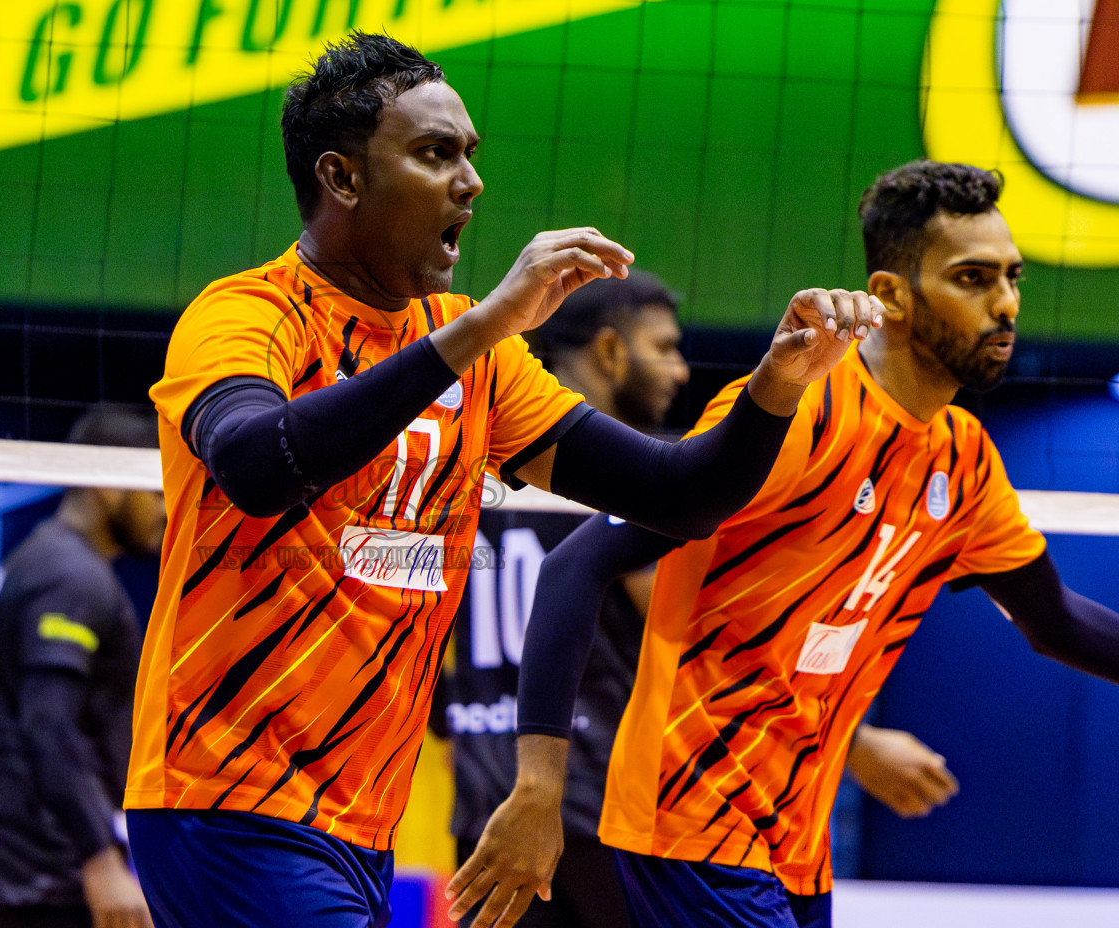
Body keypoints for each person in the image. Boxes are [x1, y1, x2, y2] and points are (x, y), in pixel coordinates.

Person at [121, 30, 884, 928]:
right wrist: (478, 329)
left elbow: (679, 496)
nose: (471, 182)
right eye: (435, 154)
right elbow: (257, 465)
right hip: (222, 793)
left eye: (470, 156)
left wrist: (777, 385)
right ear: (344, 179)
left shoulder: (475, 358)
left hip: (365, 821)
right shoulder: (246, 315)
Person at [449, 160, 1119, 928]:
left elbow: (1054, 619)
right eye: (972, 279)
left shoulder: (962, 459)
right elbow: (578, 562)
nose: (1004, 305)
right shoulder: (802, 412)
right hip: (688, 817)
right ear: (892, 296)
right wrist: (535, 787)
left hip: (797, 842)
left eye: (1012, 278)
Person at [438, 274, 956, 928]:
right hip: (600, 808)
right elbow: (725, 640)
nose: (681, 370)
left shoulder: (482, 472)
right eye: (664, 348)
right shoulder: (640, 483)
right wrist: (860, 744)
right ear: (609, 352)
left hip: (491, 799)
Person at [0, 404, 165, 928]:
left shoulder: (37, 559)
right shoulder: (70, 575)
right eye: (155, 490)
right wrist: (101, 859)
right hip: (37, 876)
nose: (167, 509)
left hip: (1, 867)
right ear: (107, 484)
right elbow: (49, 723)